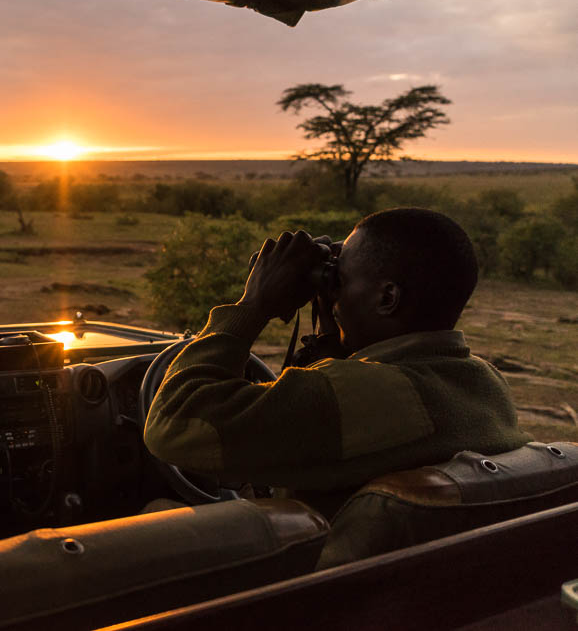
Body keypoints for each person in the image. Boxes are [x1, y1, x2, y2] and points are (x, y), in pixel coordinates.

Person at [143, 207, 530, 519]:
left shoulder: (359, 398)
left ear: (387, 298)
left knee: (157, 511)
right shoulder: (483, 382)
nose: (331, 291)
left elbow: (173, 424)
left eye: (339, 279)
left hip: (307, 594)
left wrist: (252, 305)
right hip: (393, 583)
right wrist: (333, 328)